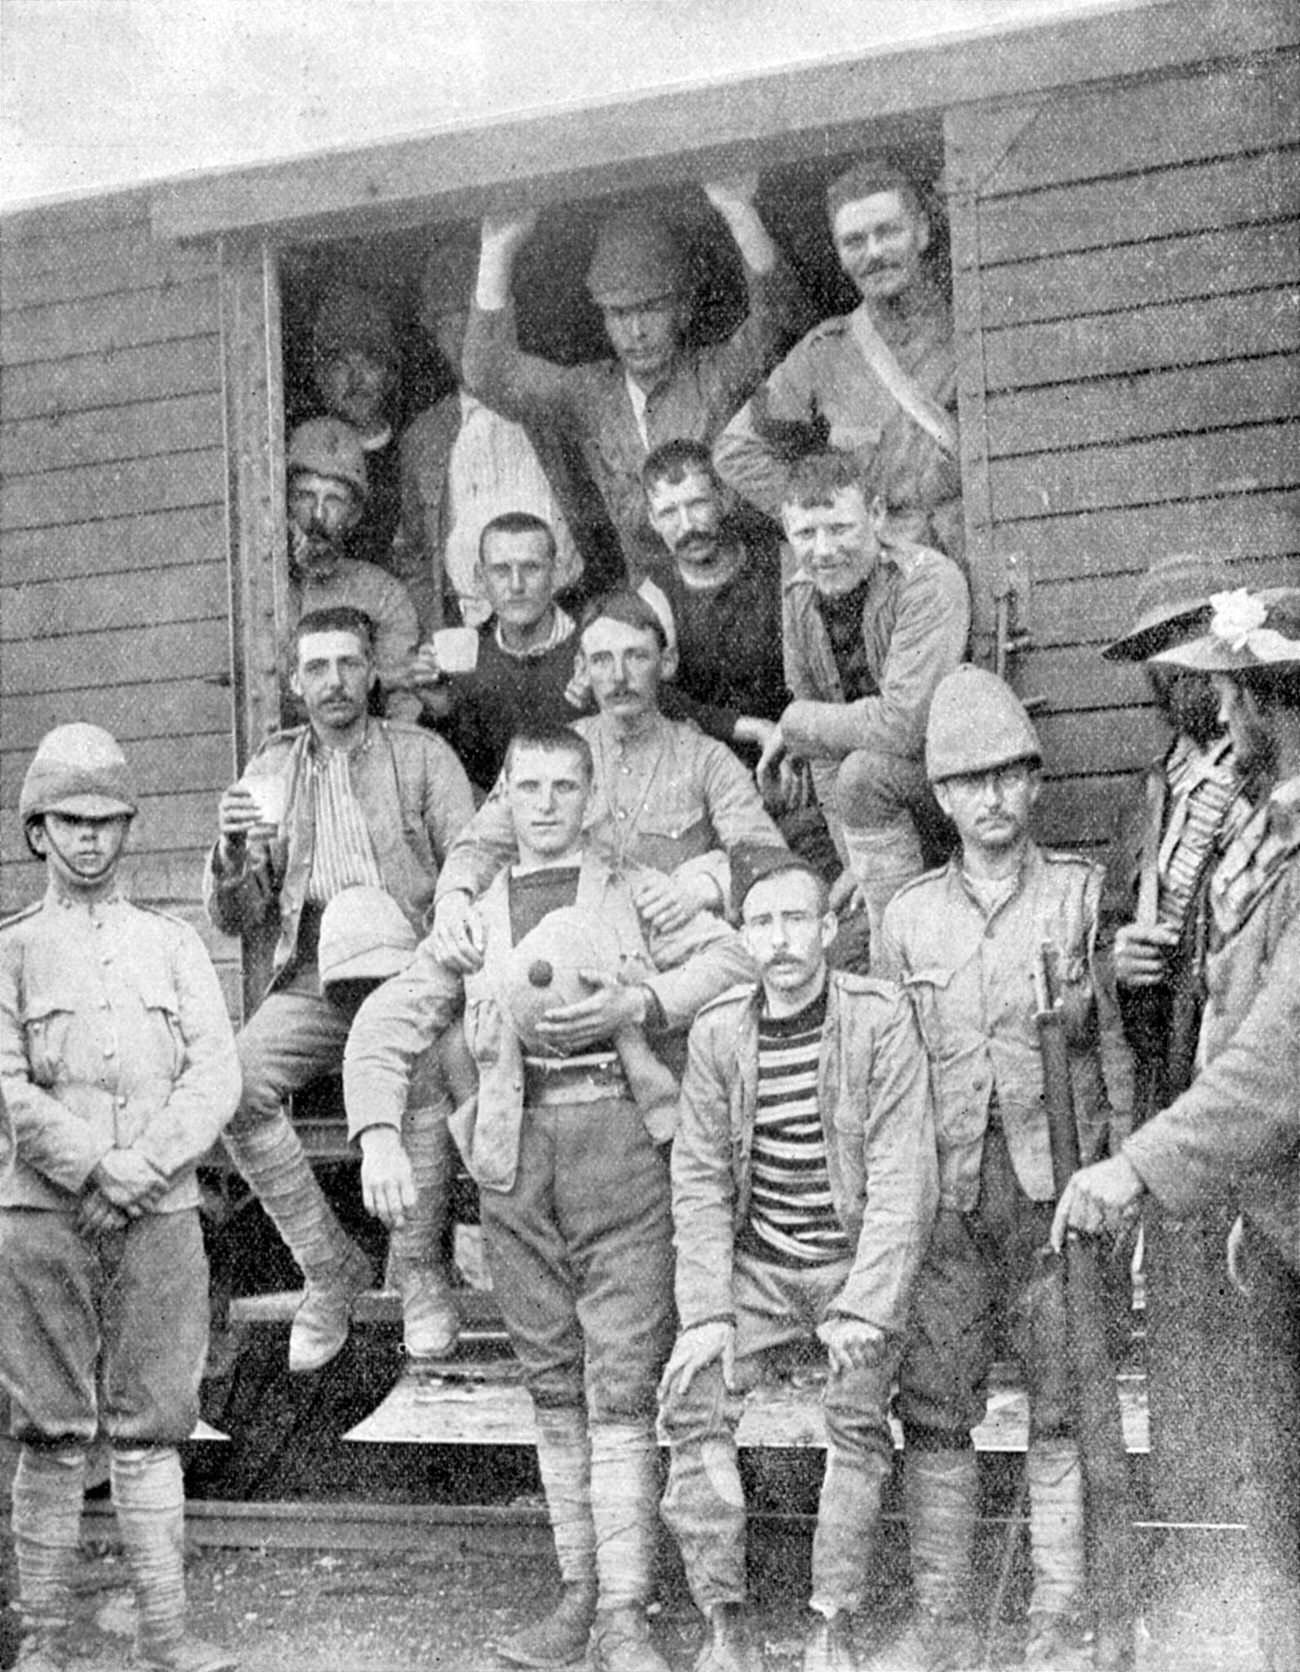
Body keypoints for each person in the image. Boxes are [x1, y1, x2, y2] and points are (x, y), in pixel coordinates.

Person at [343, 726, 754, 1672]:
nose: (546, 803)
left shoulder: (637, 888)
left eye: (566, 786)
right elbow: (384, 1027)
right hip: (515, 1167)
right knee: (554, 1388)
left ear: (590, 793)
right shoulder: (473, 918)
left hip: (621, 1152)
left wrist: (641, 1005)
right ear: (506, 798)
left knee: (619, 1387)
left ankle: (625, 1613)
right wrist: (372, 1131)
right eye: (529, 787)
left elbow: (734, 960)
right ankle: (581, 1595)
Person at [1054, 587, 1300, 1672]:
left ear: (1258, 705)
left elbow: (1278, 1055)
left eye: (1228, 688)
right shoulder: (1267, 823)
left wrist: (1139, 1168)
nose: (1217, 712)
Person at [874, 667, 1133, 1672]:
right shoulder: (905, 919)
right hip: (948, 1197)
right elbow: (891, 1073)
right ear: (940, 800)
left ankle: (1059, 1623)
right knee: (933, 1404)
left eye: (1007, 778)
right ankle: (942, 1622)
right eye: (967, 783)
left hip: (1053, 1192)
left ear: (1034, 784)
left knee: (1064, 1401)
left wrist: (1118, 1170)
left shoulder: (1077, 894)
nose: (989, 800)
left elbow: (1110, 1044)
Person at [659, 847, 937, 1672]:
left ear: (827, 928)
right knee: (691, 1398)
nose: (778, 940)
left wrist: (867, 1306)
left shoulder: (877, 1018)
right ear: (742, 935)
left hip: (852, 1269)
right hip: (762, 1271)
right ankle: (724, 1617)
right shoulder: (718, 1033)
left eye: (794, 920)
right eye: (760, 922)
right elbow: (700, 1183)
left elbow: (902, 1176)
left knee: (856, 1414)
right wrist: (707, 1314)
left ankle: (832, 1620)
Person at [0, 724, 241, 1672]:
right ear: (37, 832)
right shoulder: (10, 951)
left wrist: (141, 1170)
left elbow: (214, 1073)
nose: (90, 839)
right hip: (41, 1216)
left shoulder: (172, 944)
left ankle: (168, 1637)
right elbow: (7, 1083)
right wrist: (98, 1170)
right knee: (52, 1432)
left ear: (130, 829)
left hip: (160, 1214)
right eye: (70, 821)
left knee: (151, 1432)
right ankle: (46, 1644)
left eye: (107, 821)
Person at [204, 606, 475, 1373]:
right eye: (317, 668)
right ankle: (329, 1269)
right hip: (317, 974)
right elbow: (236, 917)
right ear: (296, 682)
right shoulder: (271, 770)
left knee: (416, 1066)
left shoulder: (422, 756)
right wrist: (231, 855)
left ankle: (418, 1269)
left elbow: (476, 853)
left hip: (410, 967)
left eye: (348, 664)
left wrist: (445, 921)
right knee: (235, 1085)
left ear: (372, 673)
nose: (334, 682)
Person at [1099, 553, 1255, 1531]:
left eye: (1195, 648)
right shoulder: (1155, 789)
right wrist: (1126, 954)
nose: (1182, 674)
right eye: (1164, 654)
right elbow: (1115, 914)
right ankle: (1209, 1548)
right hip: (1177, 1085)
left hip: (1258, 1084)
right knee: (1194, 1318)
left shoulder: (1275, 775)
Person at [462, 176, 806, 582]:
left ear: (684, 307)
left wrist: (739, 212)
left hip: (740, 590)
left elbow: (782, 320)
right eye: (620, 314)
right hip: (653, 613)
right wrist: (498, 249)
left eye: (652, 308)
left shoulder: (716, 374)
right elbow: (488, 373)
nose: (636, 331)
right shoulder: (591, 394)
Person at [430, 589, 785, 968]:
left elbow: (767, 858)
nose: (619, 677)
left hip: (670, 953)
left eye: (636, 656)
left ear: (666, 662)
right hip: (564, 948)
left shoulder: (707, 759)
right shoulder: (552, 755)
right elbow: (481, 844)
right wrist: (453, 897)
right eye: (602, 660)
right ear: (582, 668)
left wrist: (702, 888)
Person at [756, 451, 968, 944]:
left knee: (864, 771)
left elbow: (903, 725)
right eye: (806, 534)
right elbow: (822, 755)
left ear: (875, 515)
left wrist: (795, 723)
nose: (823, 550)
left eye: (840, 528)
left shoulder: (926, 582)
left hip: (951, 790)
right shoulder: (799, 597)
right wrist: (853, 861)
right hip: (870, 814)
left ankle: (897, 946)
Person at [715, 155, 962, 561]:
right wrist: (826, 516)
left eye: (888, 232)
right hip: (886, 579)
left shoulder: (968, 333)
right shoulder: (825, 352)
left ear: (921, 232)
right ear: (839, 252)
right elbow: (736, 453)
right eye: (854, 241)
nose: (874, 252)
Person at [396, 238, 622, 633]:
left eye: (477, 319)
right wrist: (431, 635)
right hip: (473, 634)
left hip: (573, 618)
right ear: (433, 333)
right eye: (452, 323)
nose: (469, 336)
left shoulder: (554, 404)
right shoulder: (424, 436)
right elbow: (414, 556)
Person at [410, 511, 590, 792]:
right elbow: (454, 777)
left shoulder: (591, 648)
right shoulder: (466, 658)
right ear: (480, 579)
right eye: (501, 570)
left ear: (556, 572)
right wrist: (441, 711)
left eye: (531, 568)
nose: (516, 585)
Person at [640, 437, 787, 756]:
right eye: (668, 512)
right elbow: (655, 698)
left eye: (697, 504)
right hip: (709, 762)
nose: (686, 525)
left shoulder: (776, 566)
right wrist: (750, 728)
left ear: (723, 498)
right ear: (652, 520)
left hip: (796, 747)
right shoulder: (654, 600)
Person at [285, 416, 422, 722]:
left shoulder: (383, 594)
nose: (317, 515)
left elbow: (401, 697)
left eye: (333, 500)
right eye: (304, 496)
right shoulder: (263, 586)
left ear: (355, 514)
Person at [309, 281, 405, 574]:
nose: (356, 379)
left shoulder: (412, 454)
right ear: (322, 381)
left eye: (370, 364)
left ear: (390, 376)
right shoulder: (307, 462)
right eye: (340, 365)